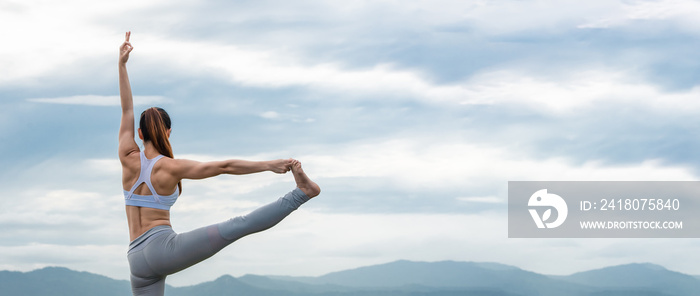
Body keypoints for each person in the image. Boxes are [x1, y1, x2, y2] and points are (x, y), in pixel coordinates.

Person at [118, 31, 320, 296]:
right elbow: (224, 166)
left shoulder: (127, 157)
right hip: (162, 250)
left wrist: (121, 65)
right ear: (168, 132)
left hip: (136, 259)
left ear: (140, 134)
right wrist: (269, 164)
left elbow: (127, 110)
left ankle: (302, 193)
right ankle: (303, 193)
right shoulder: (172, 167)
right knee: (238, 225)